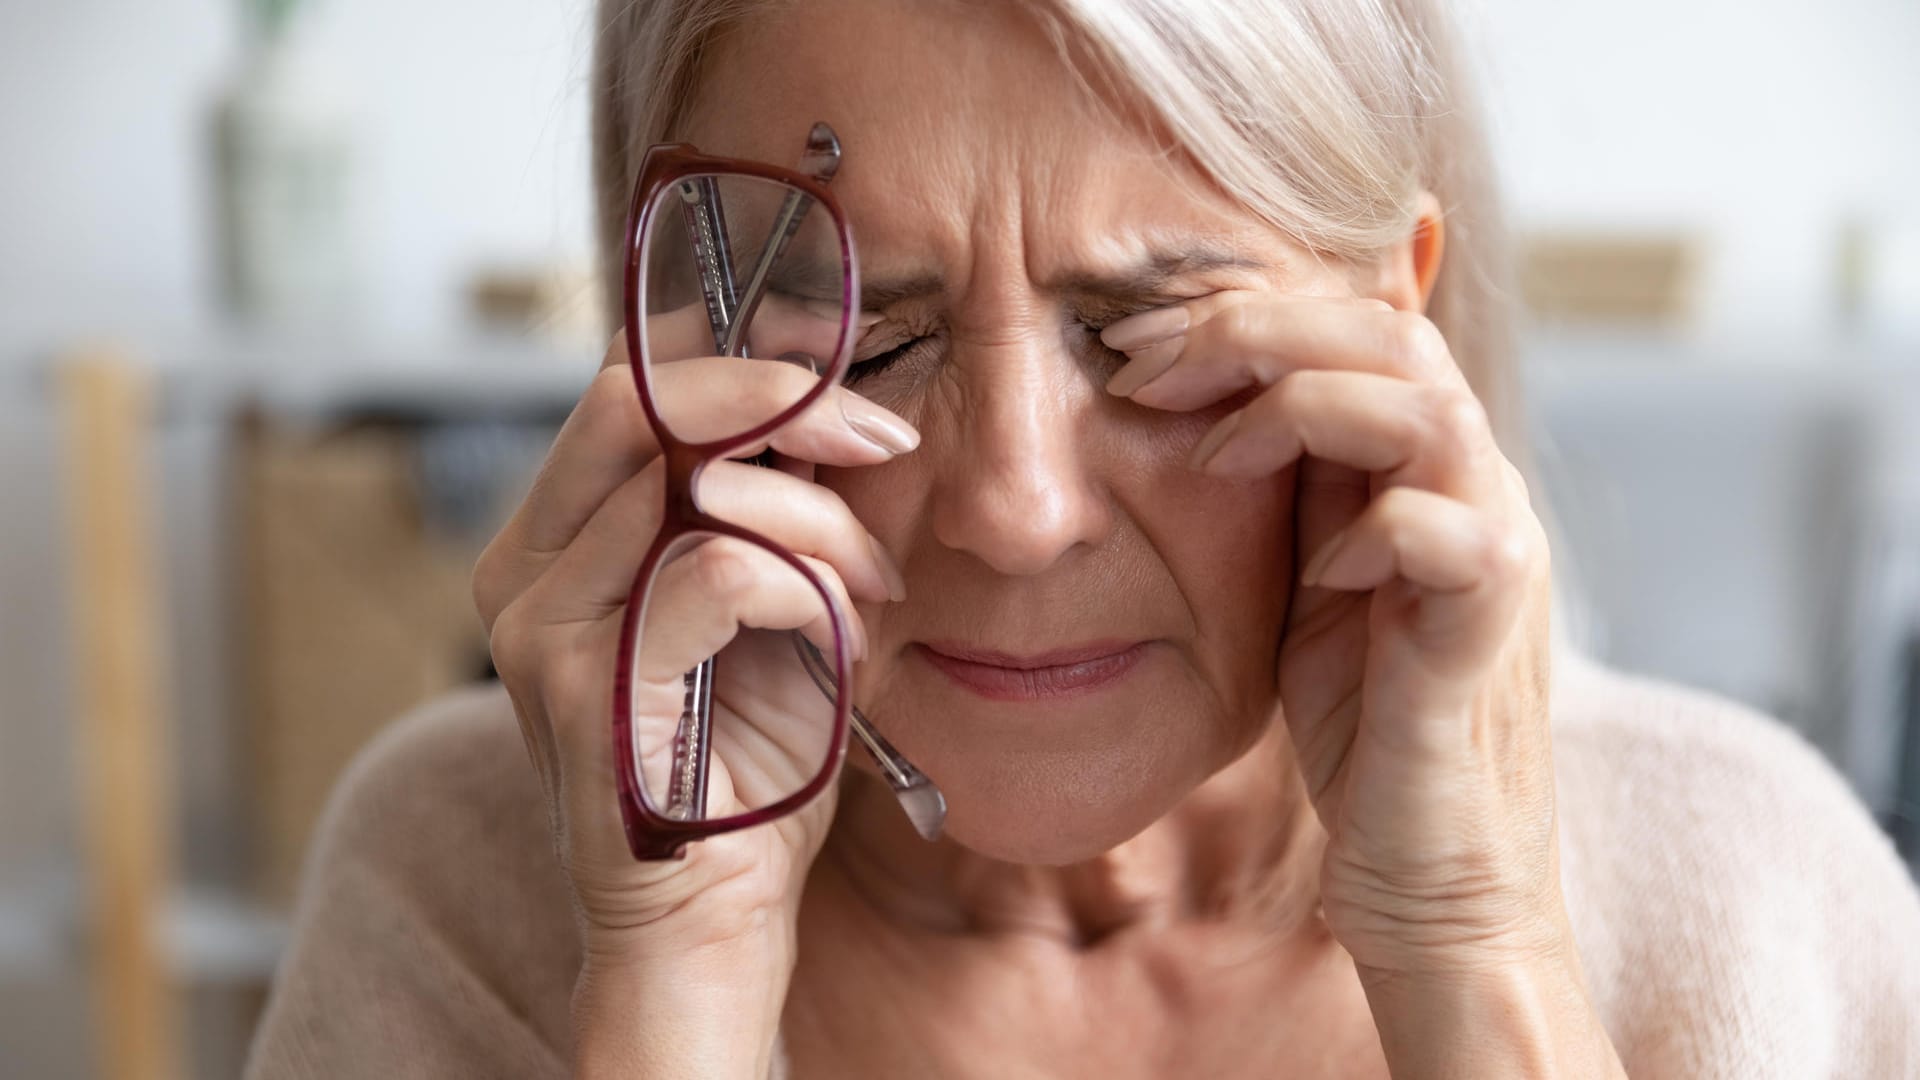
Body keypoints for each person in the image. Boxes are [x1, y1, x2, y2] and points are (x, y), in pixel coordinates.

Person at [245, 1, 1920, 1076]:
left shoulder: (1747, 893)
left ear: (1395, 323)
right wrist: (673, 983)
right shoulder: (458, 888)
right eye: (874, 339)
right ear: (674, 343)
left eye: (1147, 338)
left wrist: (1478, 948)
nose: (1019, 512)